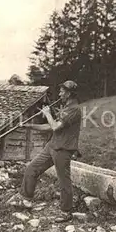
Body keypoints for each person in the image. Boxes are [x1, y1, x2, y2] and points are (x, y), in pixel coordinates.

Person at [7, 80, 82, 222]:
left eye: (62, 91)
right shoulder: (66, 107)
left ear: (69, 93)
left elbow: (55, 127)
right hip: (52, 145)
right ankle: (25, 198)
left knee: (64, 181)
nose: (59, 93)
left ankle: (66, 212)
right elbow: (49, 127)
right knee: (32, 168)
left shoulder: (74, 109)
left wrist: (47, 113)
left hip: (63, 149)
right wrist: (29, 126)